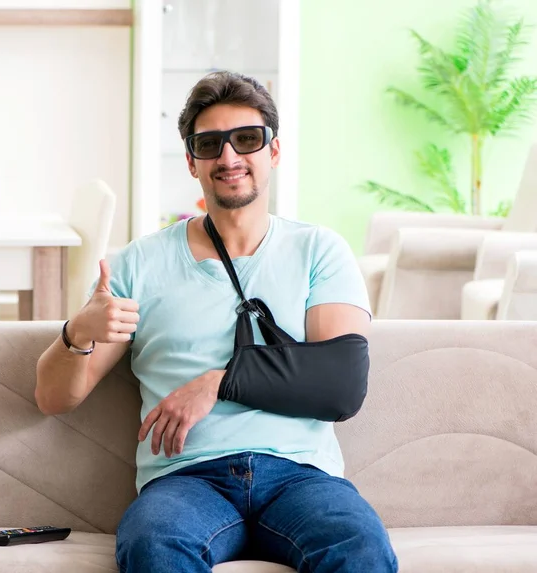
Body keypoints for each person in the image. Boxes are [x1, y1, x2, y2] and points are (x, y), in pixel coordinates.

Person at [35, 71, 398, 573]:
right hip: (186, 480)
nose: (229, 158)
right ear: (191, 161)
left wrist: (219, 382)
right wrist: (78, 332)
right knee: (153, 545)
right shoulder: (136, 265)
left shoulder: (319, 250)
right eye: (210, 144)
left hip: (302, 477)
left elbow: (342, 382)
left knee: (359, 547)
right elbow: (55, 399)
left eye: (246, 140)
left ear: (272, 151)